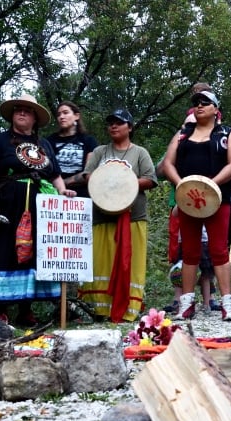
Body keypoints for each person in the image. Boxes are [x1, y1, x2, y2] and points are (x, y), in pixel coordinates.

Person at [0, 94, 77, 327]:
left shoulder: (44, 145)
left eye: (27, 110)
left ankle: (26, 310)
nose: (21, 112)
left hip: (40, 207)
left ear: (35, 119)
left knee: (34, 254)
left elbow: (55, 174)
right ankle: (1, 310)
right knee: (5, 251)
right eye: (18, 109)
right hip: (8, 205)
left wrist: (62, 192)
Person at [160, 90, 231, 321]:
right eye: (196, 103)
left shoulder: (227, 133)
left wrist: (209, 185)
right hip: (188, 199)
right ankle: (186, 303)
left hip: (217, 199)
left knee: (218, 249)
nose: (199, 106)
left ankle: (228, 303)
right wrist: (182, 186)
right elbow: (168, 163)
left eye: (205, 102)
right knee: (189, 250)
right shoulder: (183, 134)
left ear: (216, 109)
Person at [78, 109, 158, 323]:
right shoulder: (99, 152)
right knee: (101, 263)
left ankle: (128, 310)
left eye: (119, 122)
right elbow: (88, 177)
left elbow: (150, 179)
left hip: (132, 217)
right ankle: (100, 309)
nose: (113, 126)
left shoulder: (139, 153)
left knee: (129, 264)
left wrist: (124, 181)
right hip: (102, 216)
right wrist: (106, 180)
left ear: (129, 127)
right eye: (110, 123)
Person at [46, 101, 98, 198]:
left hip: (81, 196)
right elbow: (47, 170)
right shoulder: (49, 141)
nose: (61, 117)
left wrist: (61, 183)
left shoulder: (88, 140)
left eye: (65, 113)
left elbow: (88, 173)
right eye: (59, 114)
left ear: (76, 116)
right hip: (53, 195)